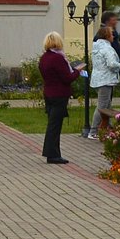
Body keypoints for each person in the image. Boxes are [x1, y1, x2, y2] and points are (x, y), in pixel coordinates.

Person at [39, 31, 84, 164]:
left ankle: (53, 153)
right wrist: (78, 71)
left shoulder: (45, 57)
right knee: (55, 125)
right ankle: (52, 154)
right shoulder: (58, 58)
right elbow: (67, 78)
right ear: (58, 42)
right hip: (59, 94)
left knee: (52, 123)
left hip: (49, 93)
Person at [84, 24, 120, 139]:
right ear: (107, 36)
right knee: (102, 106)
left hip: (98, 79)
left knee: (107, 105)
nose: (113, 37)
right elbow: (111, 64)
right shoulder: (107, 48)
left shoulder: (97, 47)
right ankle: (93, 131)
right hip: (105, 80)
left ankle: (107, 127)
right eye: (111, 34)